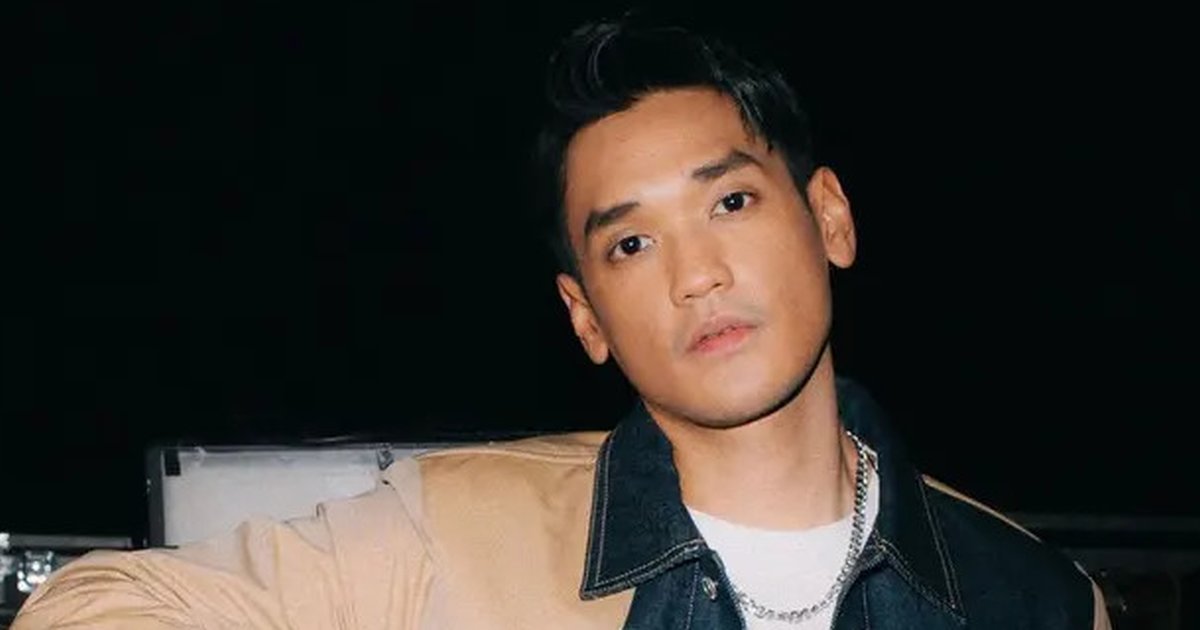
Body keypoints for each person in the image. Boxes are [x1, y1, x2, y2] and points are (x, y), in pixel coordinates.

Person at [14, 15, 1110, 630]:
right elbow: (91, 607)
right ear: (586, 317)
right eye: (631, 245)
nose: (696, 275)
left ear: (829, 217)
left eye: (731, 202)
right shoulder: (452, 533)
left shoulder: (1037, 597)